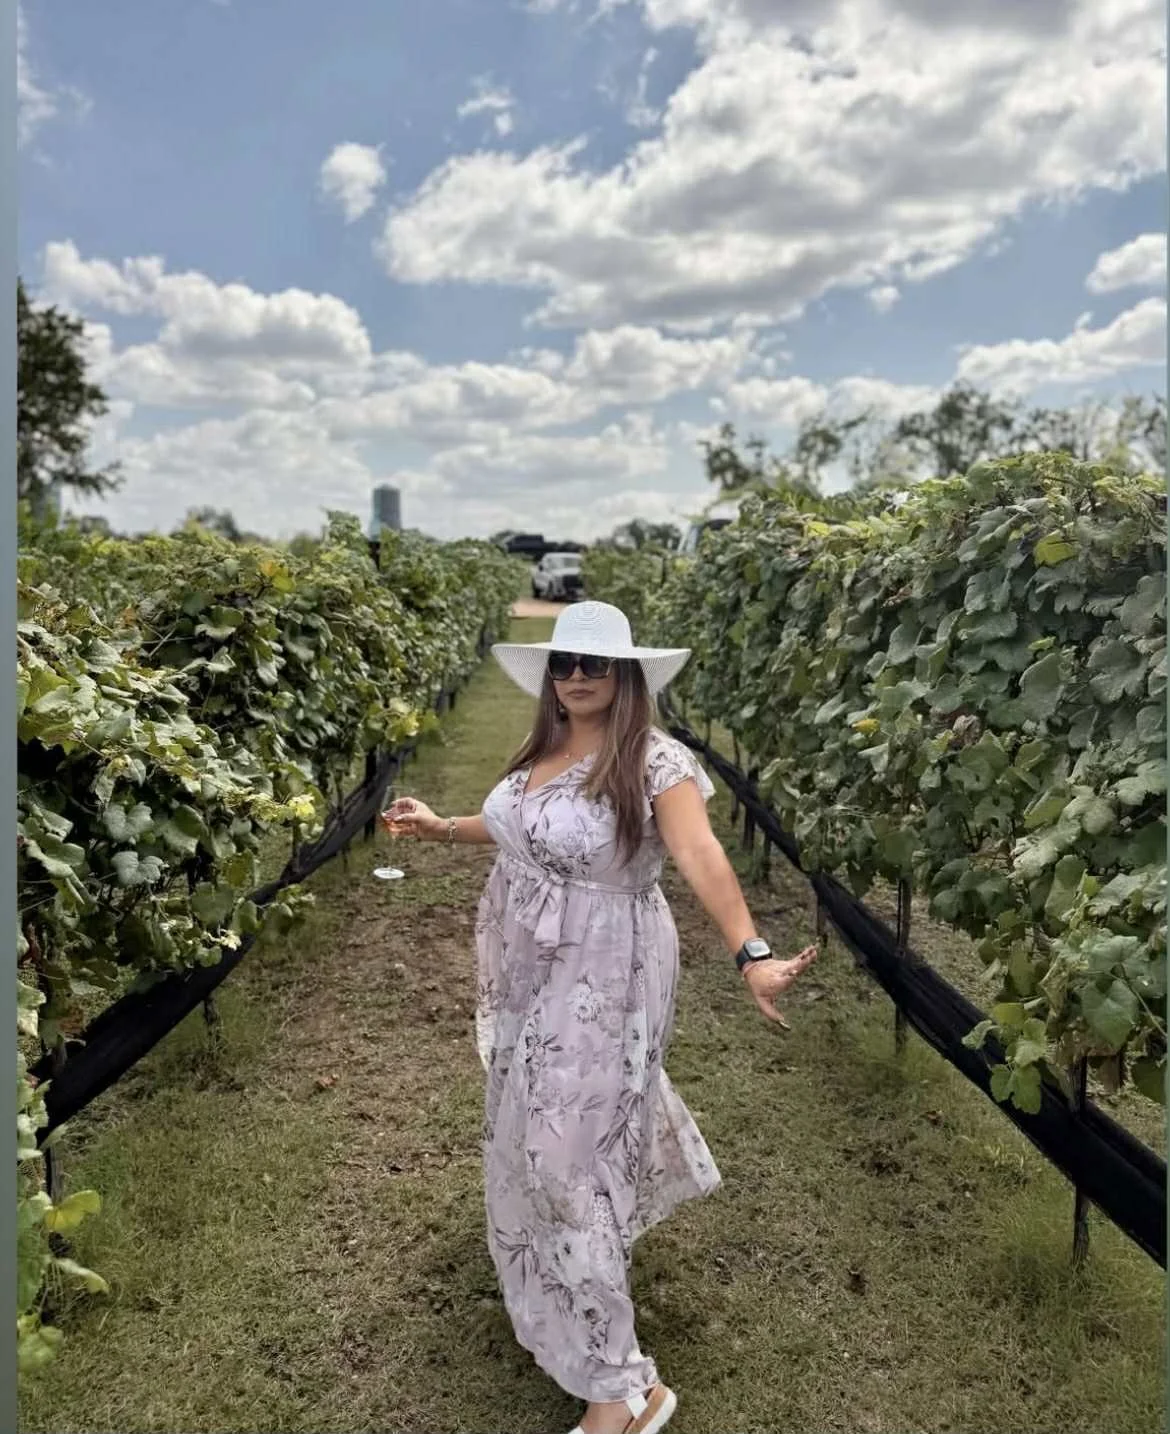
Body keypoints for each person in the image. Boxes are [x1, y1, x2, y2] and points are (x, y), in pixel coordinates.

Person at [387, 600, 818, 1434]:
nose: (577, 676)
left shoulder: (656, 762)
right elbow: (524, 832)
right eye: (564, 663)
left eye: (595, 664)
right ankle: (572, 1311)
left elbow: (698, 853)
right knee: (540, 1142)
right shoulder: (544, 751)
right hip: (533, 971)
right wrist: (442, 828)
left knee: (563, 1159)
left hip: (606, 972)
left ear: (626, 676)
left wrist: (750, 952)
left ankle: (624, 1390)